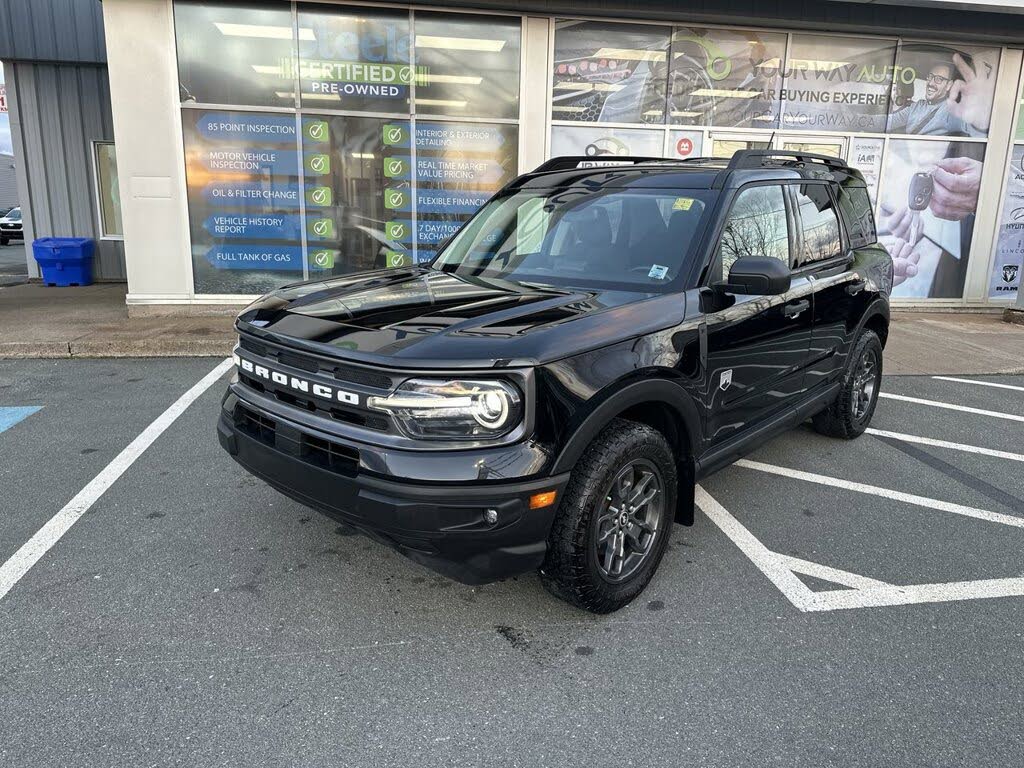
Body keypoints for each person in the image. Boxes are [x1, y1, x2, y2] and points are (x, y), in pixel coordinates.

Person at [887, 53, 995, 137]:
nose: (931, 83)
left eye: (938, 79)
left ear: (949, 85)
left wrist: (980, 123)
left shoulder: (949, 110)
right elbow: (887, 121)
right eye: (930, 77)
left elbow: (969, 128)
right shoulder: (916, 106)